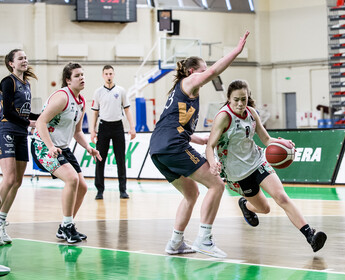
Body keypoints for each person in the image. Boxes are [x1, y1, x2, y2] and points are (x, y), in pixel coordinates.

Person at [149, 31, 250, 258]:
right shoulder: (190, 82)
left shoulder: (185, 93)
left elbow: (173, 124)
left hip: (158, 149)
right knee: (217, 185)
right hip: (172, 147)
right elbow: (215, 71)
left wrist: (199, 139)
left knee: (191, 193)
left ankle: (175, 243)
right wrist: (236, 51)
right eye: (203, 70)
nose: (207, 73)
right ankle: (204, 238)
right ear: (193, 72)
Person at [205, 79, 327, 253]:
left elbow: (266, 139)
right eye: (236, 100)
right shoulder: (224, 117)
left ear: (248, 98)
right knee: (265, 208)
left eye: (243, 99)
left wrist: (282, 142)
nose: (240, 103)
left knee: (282, 197)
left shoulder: (252, 113)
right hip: (236, 174)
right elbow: (210, 145)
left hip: (257, 161)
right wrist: (212, 163)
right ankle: (245, 205)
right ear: (229, 99)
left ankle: (310, 235)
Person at [31, 62, 101, 243]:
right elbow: (40, 122)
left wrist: (88, 147)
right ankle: (68, 226)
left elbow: (77, 132)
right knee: (72, 179)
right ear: (68, 81)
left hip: (62, 147)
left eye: (83, 75)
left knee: (83, 187)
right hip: (43, 145)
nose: (82, 78)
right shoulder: (62, 97)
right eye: (77, 76)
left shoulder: (81, 101)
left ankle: (65, 226)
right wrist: (50, 146)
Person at [0, 49, 39, 246]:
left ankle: (1, 221)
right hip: (7, 129)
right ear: (11, 64)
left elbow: (25, 113)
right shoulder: (8, 82)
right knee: (8, 178)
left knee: (18, 181)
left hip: (21, 134)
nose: (25, 60)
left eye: (26, 57)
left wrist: (41, 117)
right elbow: (7, 110)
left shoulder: (27, 84)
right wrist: (29, 123)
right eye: (20, 58)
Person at [91, 65, 135, 200]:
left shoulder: (121, 91)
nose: (109, 76)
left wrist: (132, 127)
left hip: (118, 127)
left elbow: (127, 110)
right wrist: (92, 130)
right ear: (103, 75)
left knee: (121, 159)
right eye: (106, 74)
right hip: (103, 127)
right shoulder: (98, 92)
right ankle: (99, 190)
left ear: (114, 74)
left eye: (111, 73)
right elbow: (94, 112)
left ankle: (123, 189)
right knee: (100, 159)